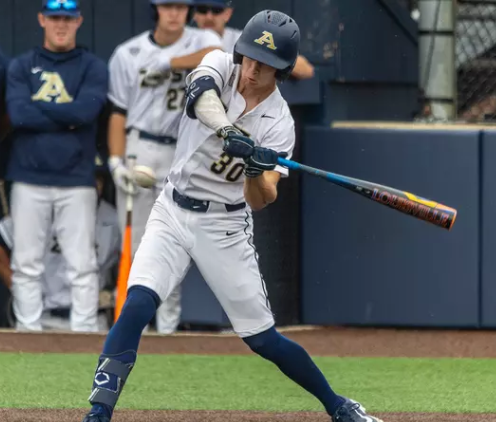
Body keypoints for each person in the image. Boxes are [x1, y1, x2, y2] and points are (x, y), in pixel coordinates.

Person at [81, 10, 382, 422]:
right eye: (250, 57)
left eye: (266, 64)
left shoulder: (279, 124)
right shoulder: (222, 64)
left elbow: (262, 200)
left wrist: (257, 168)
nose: (253, 68)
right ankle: (98, 413)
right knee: (137, 305)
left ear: (284, 70)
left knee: (262, 339)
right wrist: (231, 133)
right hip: (173, 209)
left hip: (223, 225)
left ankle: (339, 405)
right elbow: (201, 100)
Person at [106, 0, 223, 334]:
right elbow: (117, 111)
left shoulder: (200, 41)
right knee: (139, 242)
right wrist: (115, 162)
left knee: (174, 241)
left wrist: (170, 62)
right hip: (140, 147)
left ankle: (168, 329)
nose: (174, 13)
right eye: (167, 6)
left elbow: (216, 53)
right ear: (155, 9)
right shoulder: (128, 54)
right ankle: (133, 328)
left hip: (181, 151)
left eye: (181, 6)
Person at [5, 0, 109, 332]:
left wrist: (42, 109)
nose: (60, 24)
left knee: (81, 264)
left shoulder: (93, 66)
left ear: (78, 20)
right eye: (54, 18)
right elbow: (18, 114)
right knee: (26, 265)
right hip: (28, 177)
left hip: (77, 179)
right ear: (41, 19)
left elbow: (86, 113)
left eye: (67, 18)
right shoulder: (22, 65)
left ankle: (84, 334)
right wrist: (67, 116)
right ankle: (29, 332)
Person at [0, 155, 121, 331]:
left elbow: (130, 256)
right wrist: (14, 282)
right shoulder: (42, 207)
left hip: (94, 318)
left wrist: (114, 292)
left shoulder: (113, 219)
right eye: (91, 179)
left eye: (99, 179)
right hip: (43, 316)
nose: (95, 185)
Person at [193, 0, 315, 79]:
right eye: (202, 10)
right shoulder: (184, 38)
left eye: (216, 11)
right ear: (194, 14)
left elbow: (305, 69)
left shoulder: (245, 37)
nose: (209, 16)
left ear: (227, 14)